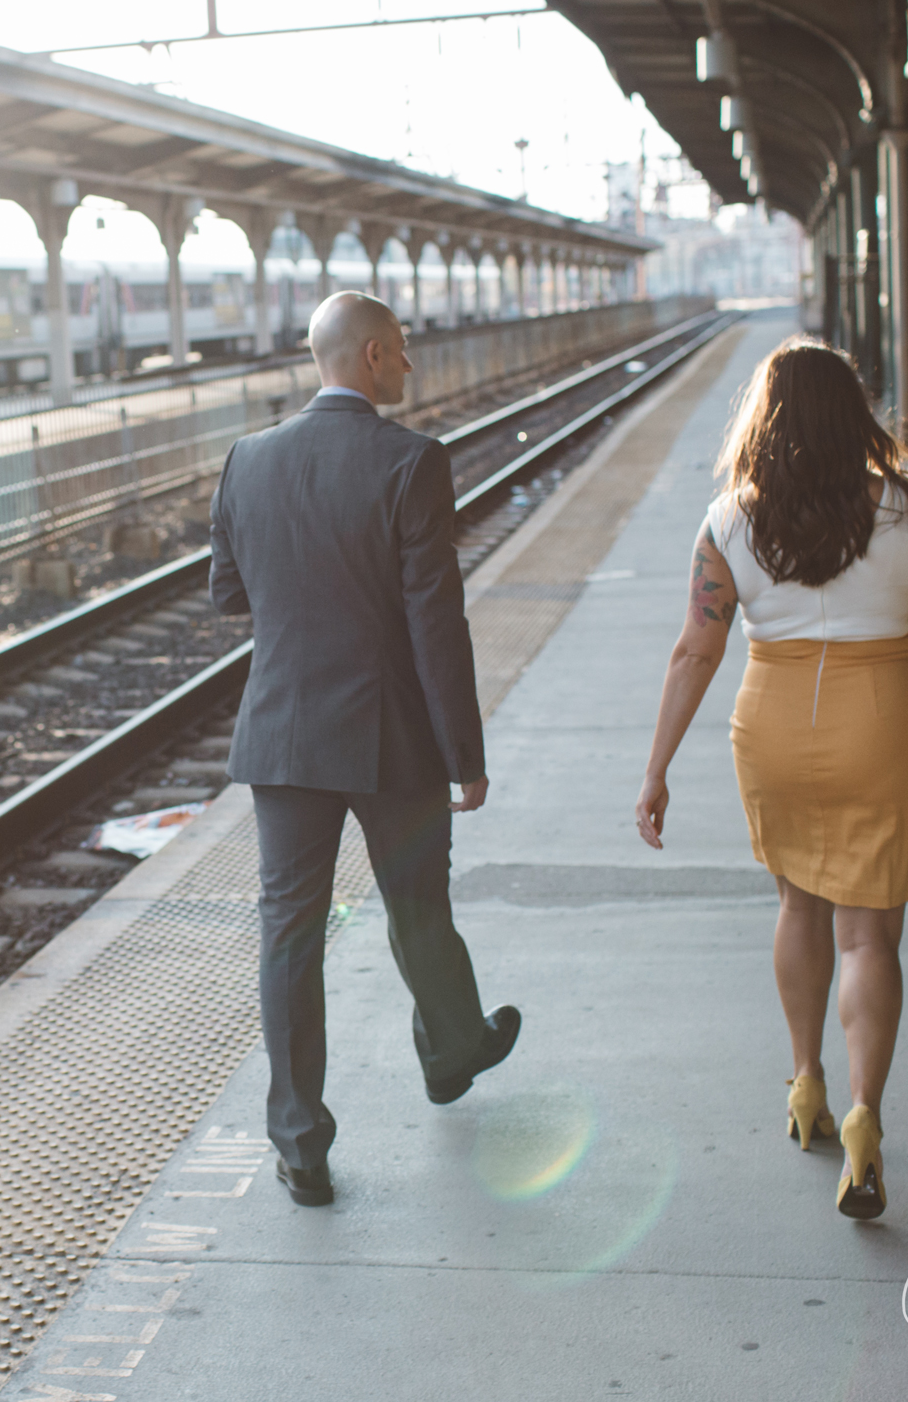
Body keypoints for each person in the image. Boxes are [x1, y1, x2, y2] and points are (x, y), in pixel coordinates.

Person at [210, 291, 520, 1209]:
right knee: (416, 905)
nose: (411, 369)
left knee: (289, 934)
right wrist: (464, 751)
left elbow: (229, 592)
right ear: (375, 354)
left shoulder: (248, 459)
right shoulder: (412, 462)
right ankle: (451, 1050)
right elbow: (437, 623)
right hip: (391, 734)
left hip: (284, 732)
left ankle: (300, 1142)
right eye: (406, 353)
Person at [634, 337, 908, 1221]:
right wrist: (901, 708)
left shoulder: (729, 518)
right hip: (881, 712)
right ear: (851, 412)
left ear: (765, 418)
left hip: (771, 720)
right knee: (869, 937)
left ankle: (805, 1082)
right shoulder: (907, 511)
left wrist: (656, 769)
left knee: (799, 906)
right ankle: (864, 1119)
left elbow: (696, 647)